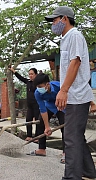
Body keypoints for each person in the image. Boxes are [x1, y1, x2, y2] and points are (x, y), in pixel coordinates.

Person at [45, 6, 96, 179]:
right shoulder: (66, 38)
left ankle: (71, 177)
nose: (53, 24)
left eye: (54, 20)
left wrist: (63, 90)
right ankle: (88, 171)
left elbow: (75, 63)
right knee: (76, 136)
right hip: (75, 95)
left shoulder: (74, 35)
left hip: (76, 95)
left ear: (64, 18)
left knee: (71, 139)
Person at [27, 73, 65, 163]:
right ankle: (41, 149)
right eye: (37, 86)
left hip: (62, 106)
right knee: (41, 123)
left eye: (40, 86)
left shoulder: (58, 86)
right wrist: (47, 127)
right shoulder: (37, 93)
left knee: (65, 127)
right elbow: (42, 109)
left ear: (47, 84)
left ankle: (66, 153)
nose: (38, 88)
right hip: (49, 106)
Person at [9, 67, 40, 141]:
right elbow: (21, 78)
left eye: (32, 74)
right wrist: (14, 71)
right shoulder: (28, 82)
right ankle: (29, 135)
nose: (30, 75)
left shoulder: (38, 83)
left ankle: (37, 136)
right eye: (29, 74)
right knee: (28, 120)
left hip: (37, 105)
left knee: (37, 121)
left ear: (36, 74)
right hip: (29, 105)